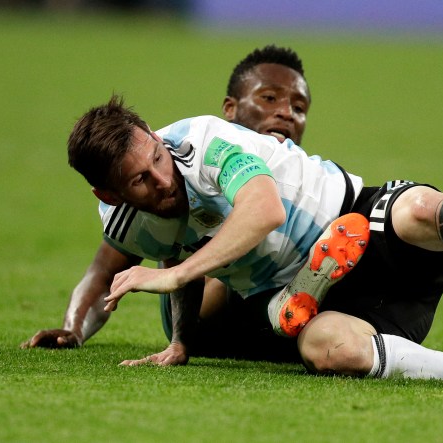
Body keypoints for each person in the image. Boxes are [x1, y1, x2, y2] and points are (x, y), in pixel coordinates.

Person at [65, 92, 443, 384]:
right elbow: (178, 253)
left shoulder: (200, 143)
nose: (160, 178)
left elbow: (263, 208)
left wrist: (172, 276)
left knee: (422, 215)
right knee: (329, 351)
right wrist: (181, 342)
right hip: (335, 298)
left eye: (156, 159)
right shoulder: (127, 220)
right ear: (109, 196)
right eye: (139, 181)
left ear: (152, 134)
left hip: (354, 213)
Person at [21, 45, 310, 362]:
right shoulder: (180, 171)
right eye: (269, 99)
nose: (286, 112)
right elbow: (102, 273)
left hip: (251, 330)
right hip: (197, 318)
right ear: (230, 108)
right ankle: (293, 304)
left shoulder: (296, 180)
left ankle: (302, 321)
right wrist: (73, 328)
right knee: (237, 248)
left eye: (299, 106)